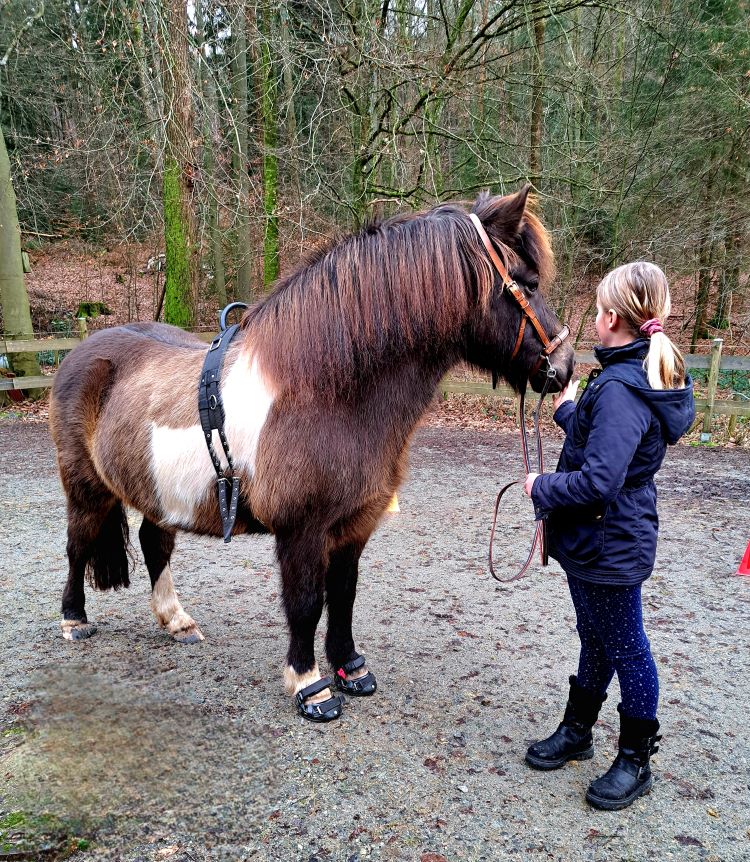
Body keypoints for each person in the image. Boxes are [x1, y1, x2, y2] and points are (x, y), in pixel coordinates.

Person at [523, 261, 695, 811]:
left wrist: (542, 486)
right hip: (598, 540)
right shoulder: (622, 371)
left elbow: (600, 479)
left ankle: (635, 759)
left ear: (614, 318)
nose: (593, 321)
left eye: (597, 312)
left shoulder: (623, 386)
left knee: (627, 647)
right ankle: (578, 731)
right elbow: (600, 441)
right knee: (596, 636)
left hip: (609, 540)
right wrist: (570, 408)